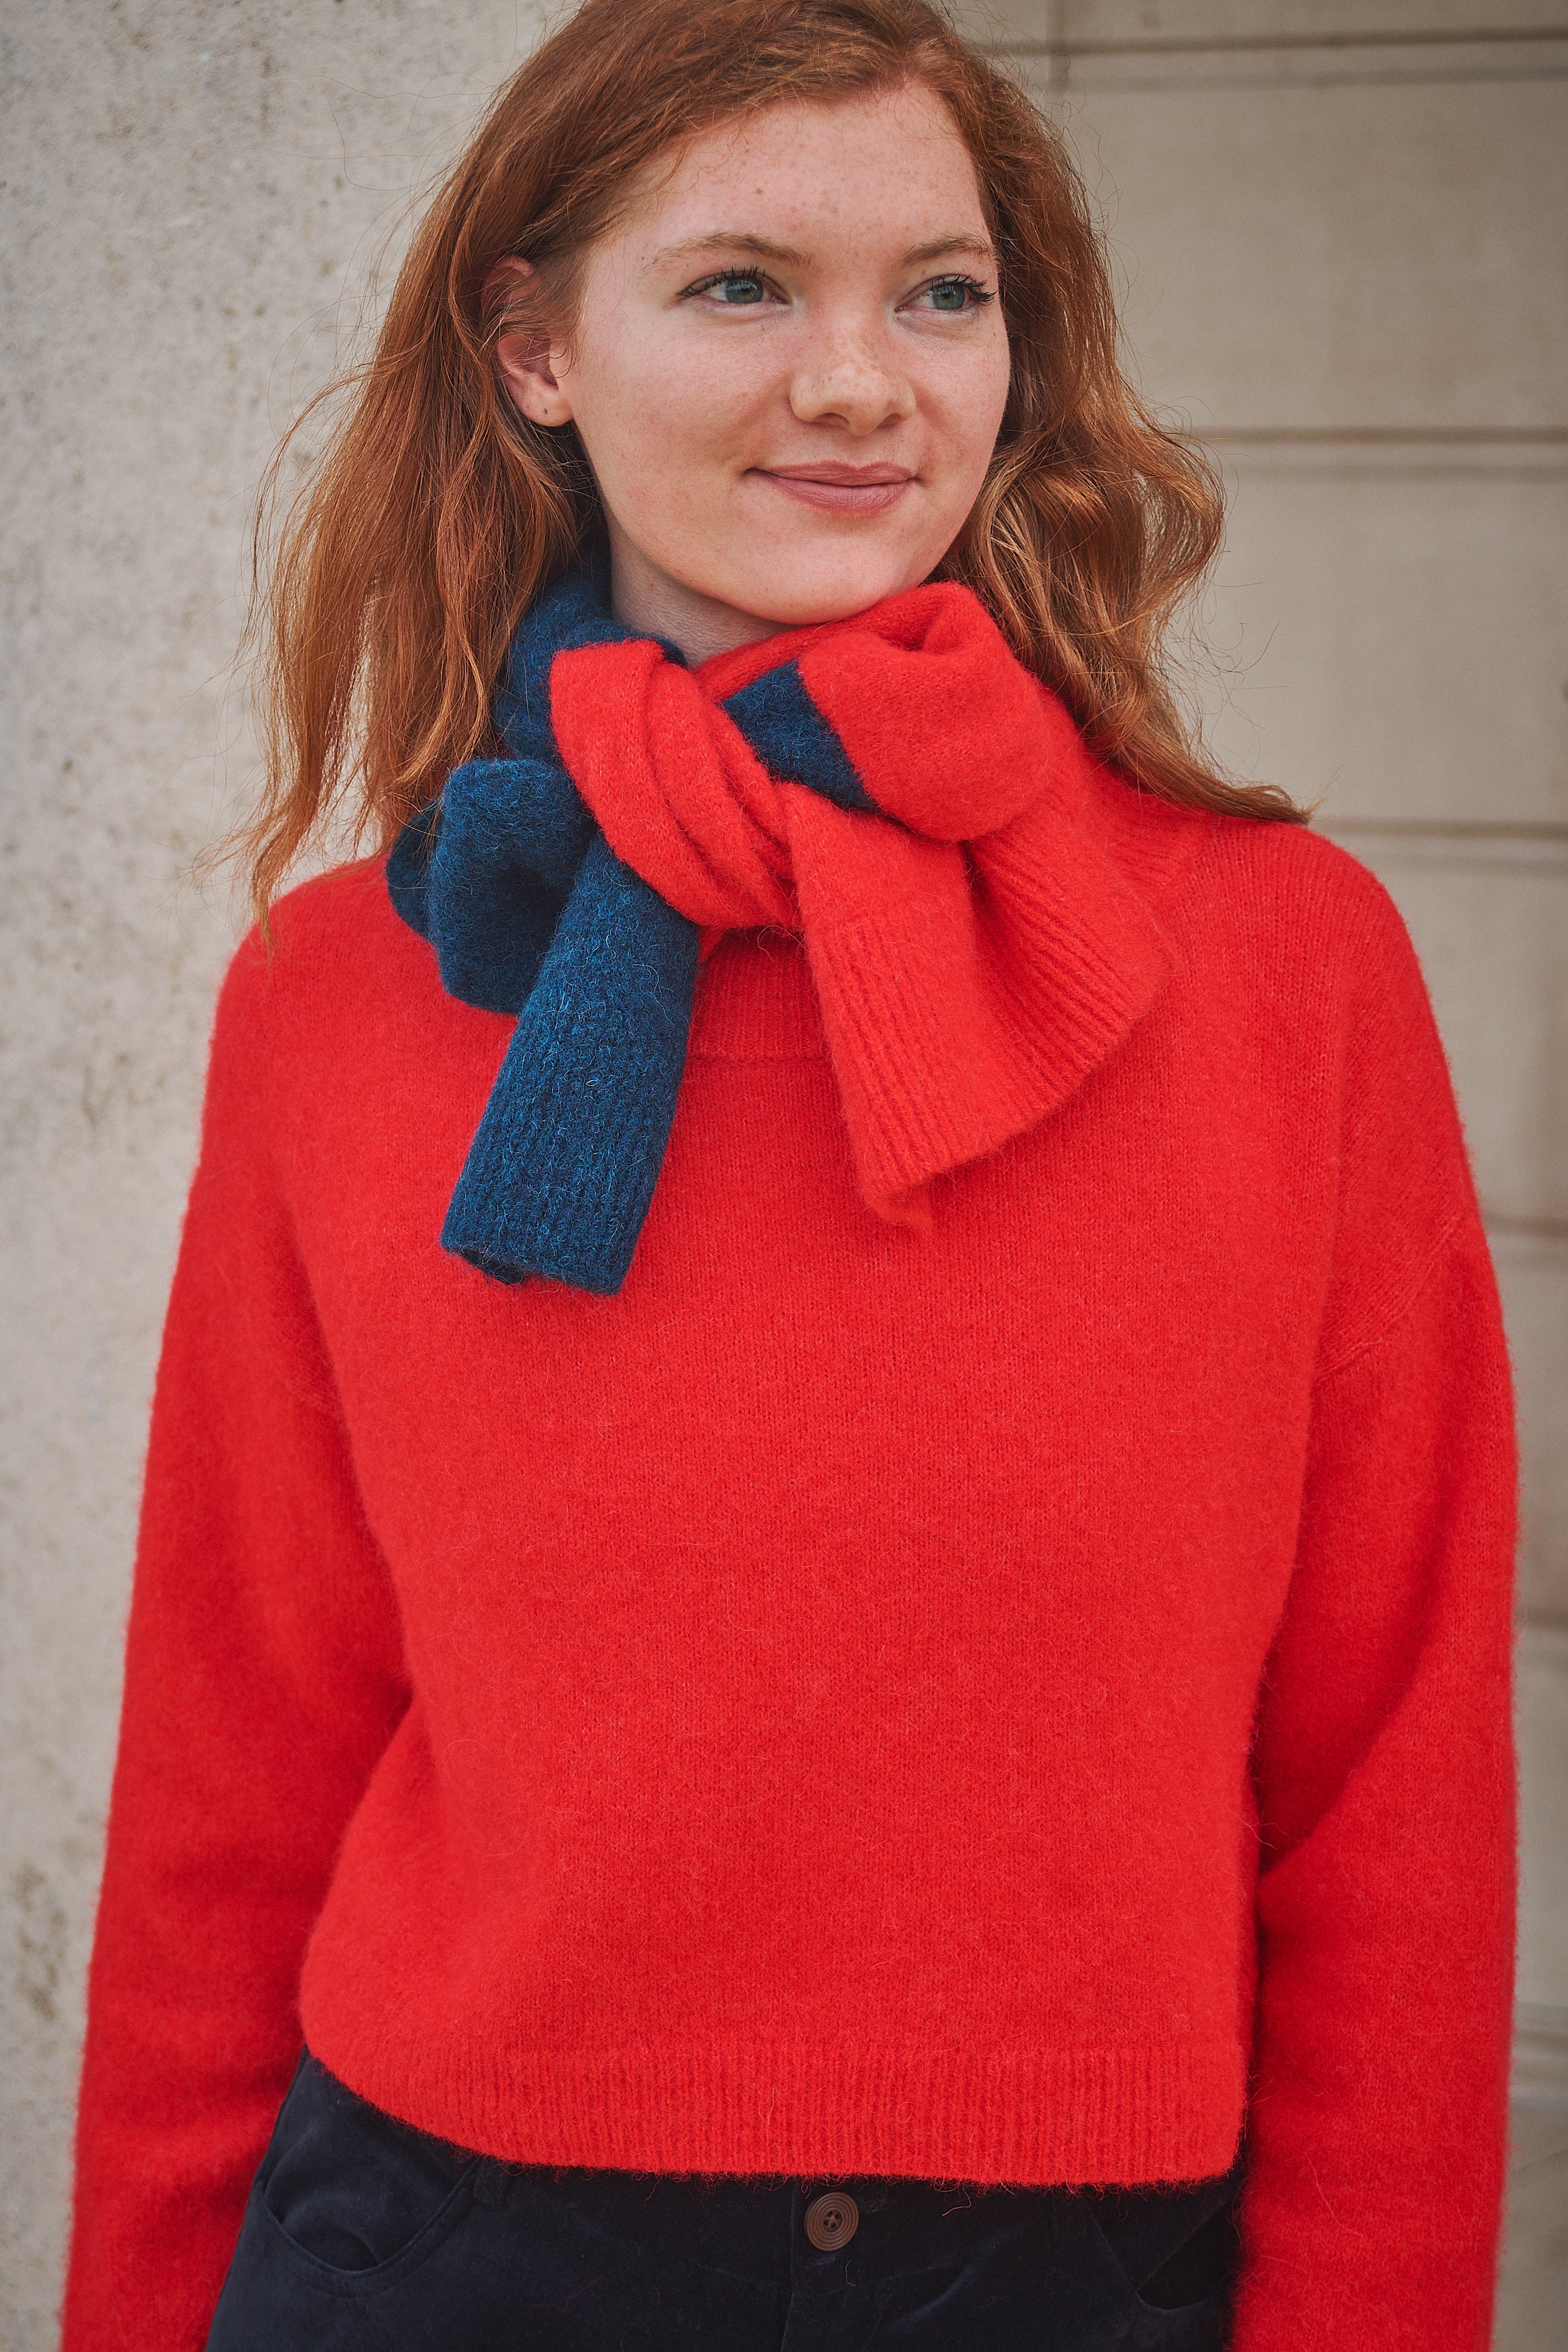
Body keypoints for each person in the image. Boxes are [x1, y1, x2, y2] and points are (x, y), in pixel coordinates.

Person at [60, 1, 1518, 2346]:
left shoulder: (1278, 970)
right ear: (532, 346)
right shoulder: (345, 994)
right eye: (743, 282)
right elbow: (240, 1749)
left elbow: (1392, 1770)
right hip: (447, 2242)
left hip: (1070, 2266)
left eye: (939, 292)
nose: (863, 384)